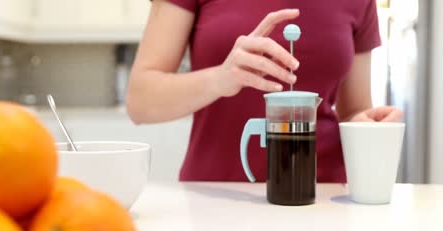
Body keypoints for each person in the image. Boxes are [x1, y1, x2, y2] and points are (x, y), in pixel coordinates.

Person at [126, 0, 403, 182]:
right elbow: (140, 100)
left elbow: (354, 109)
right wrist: (220, 79)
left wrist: (367, 123)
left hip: (324, 200)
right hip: (217, 200)